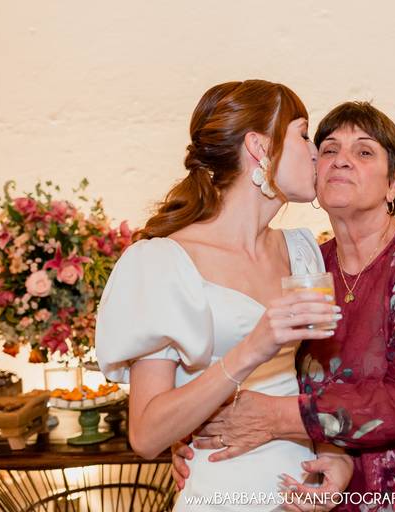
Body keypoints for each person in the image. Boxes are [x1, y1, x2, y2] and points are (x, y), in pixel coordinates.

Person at [174, 102, 395, 511]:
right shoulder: (308, 263)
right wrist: (196, 435)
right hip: (341, 493)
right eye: (328, 149)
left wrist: (278, 417)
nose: (341, 160)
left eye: (363, 151)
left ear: (393, 182)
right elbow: (271, 367)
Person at [95, 80, 354, 512]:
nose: (316, 152)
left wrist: (335, 454)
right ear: (259, 147)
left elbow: (321, 378)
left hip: (302, 491)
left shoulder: (302, 251)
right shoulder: (163, 262)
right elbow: (145, 435)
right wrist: (251, 348)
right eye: (304, 134)